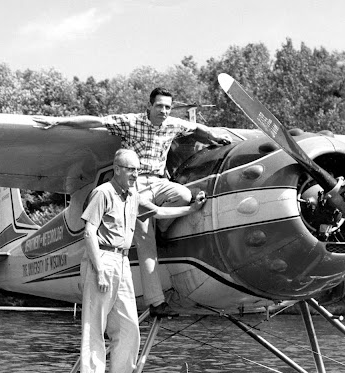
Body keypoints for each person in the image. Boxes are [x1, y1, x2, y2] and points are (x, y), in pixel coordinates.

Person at [34, 87, 230, 318]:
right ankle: (156, 302)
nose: (164, 111)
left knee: (184, 195)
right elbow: (96, 122)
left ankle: (161, 228)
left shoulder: (172, 125)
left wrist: (213, 137)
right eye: (159, 106)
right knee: (147, 242)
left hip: (159, 182)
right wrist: (59, 122)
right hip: (135, 185)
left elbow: (196, 128)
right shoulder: (131, 122)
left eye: (168, 107)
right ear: (149, 106)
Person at [80, 148, 206, 373]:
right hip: (102, 258)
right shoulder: (103, 193)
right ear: (117, 169)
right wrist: (100, 270)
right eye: (130, 170)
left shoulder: (133, 196)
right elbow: (89, 232)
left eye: (137, 170)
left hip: (123, 261)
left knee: (129, 327)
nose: (135, 175)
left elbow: (158, 212)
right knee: (95, 326)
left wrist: (192, 209)